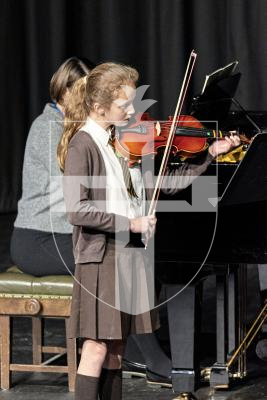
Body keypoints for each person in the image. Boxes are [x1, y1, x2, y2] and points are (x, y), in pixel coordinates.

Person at [58, 62, 240, 400]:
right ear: (99, 107)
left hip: (129, 253)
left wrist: (209, 155)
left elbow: (164, 183)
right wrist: (132, 223)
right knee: (97, 348)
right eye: (124, 104)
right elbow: (77, 210)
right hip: (102, 258)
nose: (133, 110)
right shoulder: (83, 145)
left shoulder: (121, 143)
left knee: (117, 349)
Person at [10, 56, 95, 276]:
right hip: (38, 239)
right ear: (65, 92)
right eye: (82, 92)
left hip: (64, 235)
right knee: (111, 261)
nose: (89, 100)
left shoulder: (75, 128)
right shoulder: (46, 126)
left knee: (137, 255)